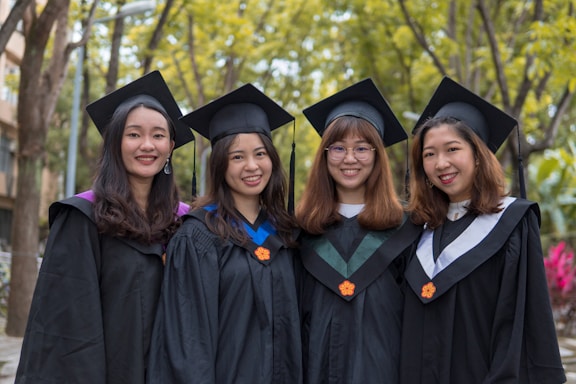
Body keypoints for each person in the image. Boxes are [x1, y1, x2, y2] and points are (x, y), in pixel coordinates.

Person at [15, 70, 195, 384]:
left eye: (157, 135)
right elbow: (67, 326)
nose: (147, 145)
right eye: (134, 134)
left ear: (170, 145)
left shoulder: (184, 223)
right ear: (115, 142)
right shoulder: (83, 218)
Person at [400, 76, 566, 383]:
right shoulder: (416, 231)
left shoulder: (513, 222)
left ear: (477, 155)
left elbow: (525, 324)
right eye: (429, 154)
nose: (441, 164)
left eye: (452, 149)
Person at [147, 83, 302, 383]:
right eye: (237, 157)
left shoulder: (286, 234)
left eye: (260, 153)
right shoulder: (198, 237)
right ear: (219, 165)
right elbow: (187, 343)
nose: (252, 166)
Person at [296, 78, 421, 383]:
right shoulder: (299, 231)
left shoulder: (409, 229)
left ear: (378, 155)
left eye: (362, 148)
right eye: (338, 148)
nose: (349, 159)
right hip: (315, 369)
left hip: (386, 370)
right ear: (324, 156)